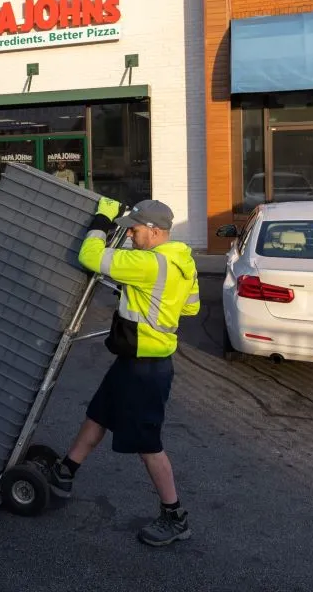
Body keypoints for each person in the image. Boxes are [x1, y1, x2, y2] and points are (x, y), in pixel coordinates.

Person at [47, 197, 201, 546]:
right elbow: (190, 308)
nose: (129, 234)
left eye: (133, 229)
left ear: (154, 231)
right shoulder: (182, 263)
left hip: (145, 368)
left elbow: (89, 257)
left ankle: (175, 516)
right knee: (99, 414)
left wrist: (102, 218)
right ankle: (65, 471)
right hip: (137, 361)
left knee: (148, 443)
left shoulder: (148, 264)